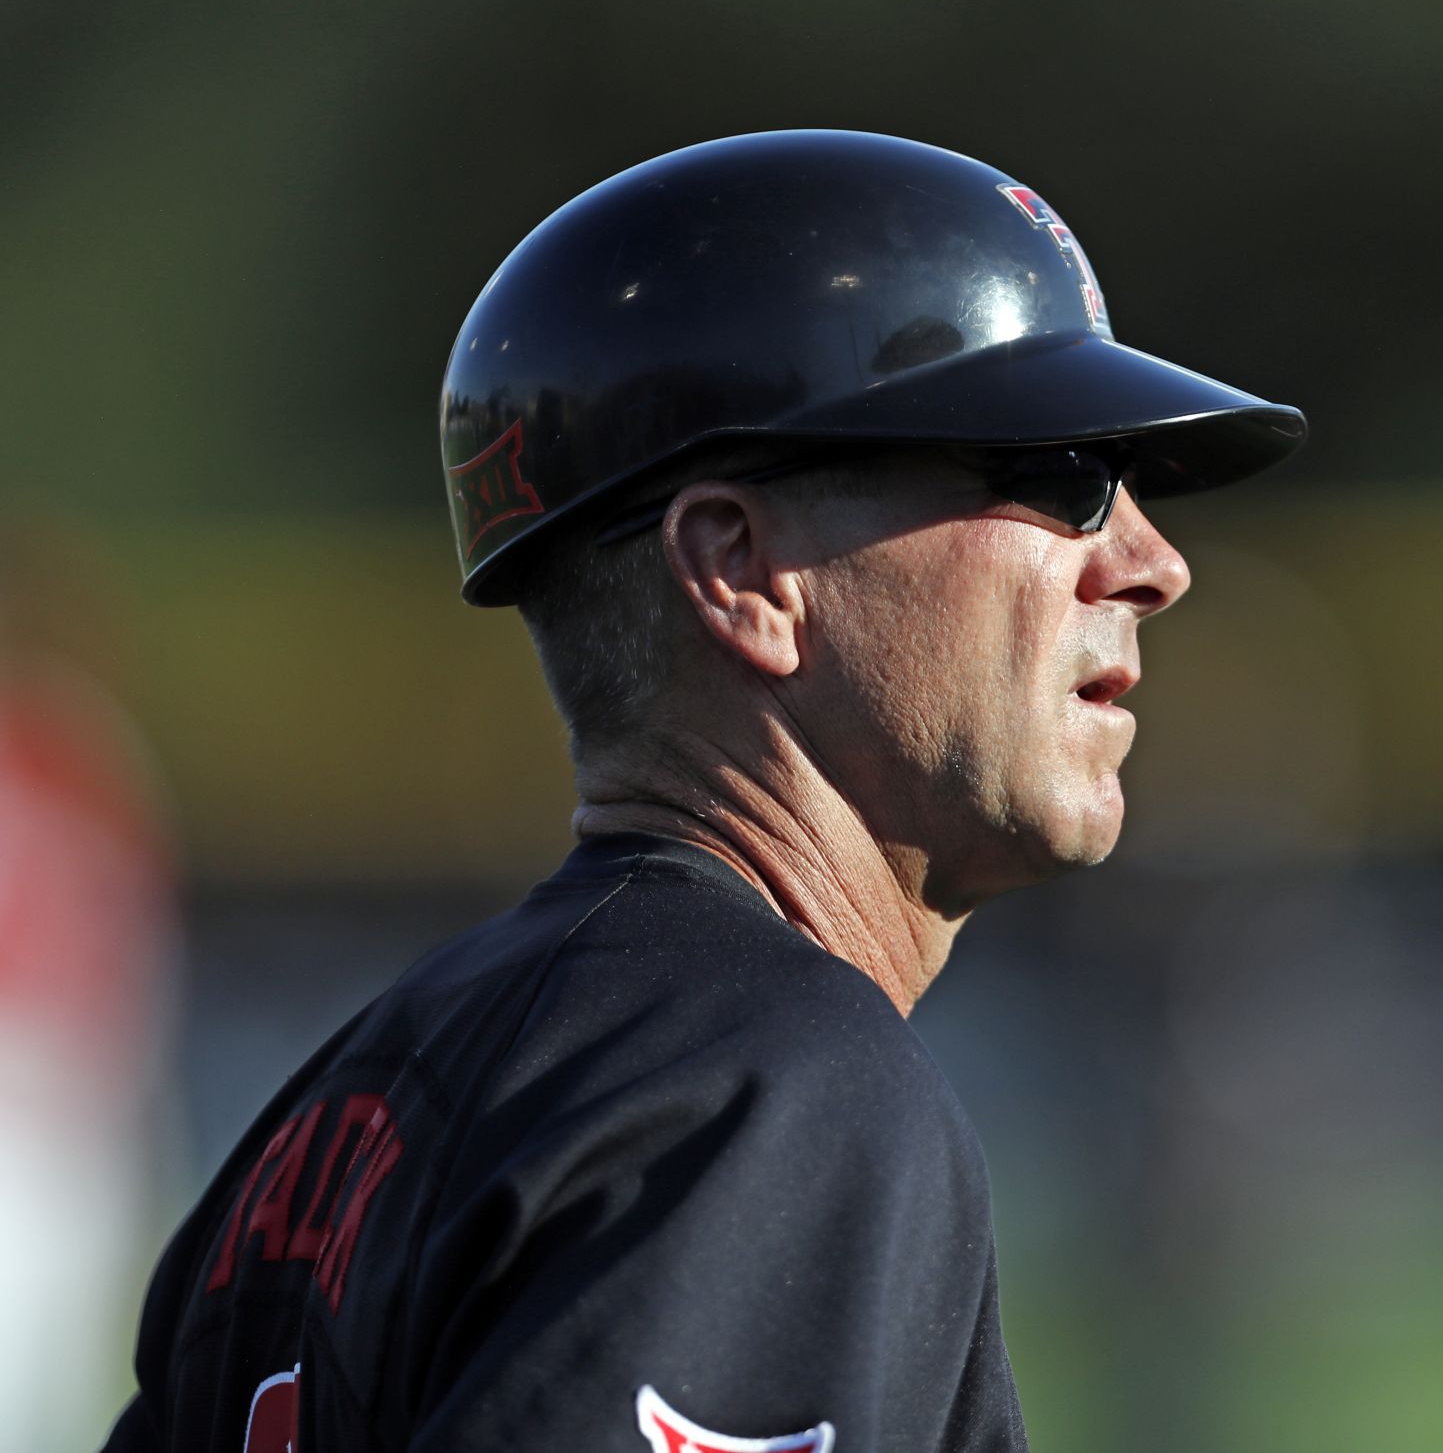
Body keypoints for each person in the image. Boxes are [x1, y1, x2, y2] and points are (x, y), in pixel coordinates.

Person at [103, 130, 1304, 1453]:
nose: (1150, 561)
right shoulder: (772, 1088)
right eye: (1058, 475)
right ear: (743, 573)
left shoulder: (340, 1110)